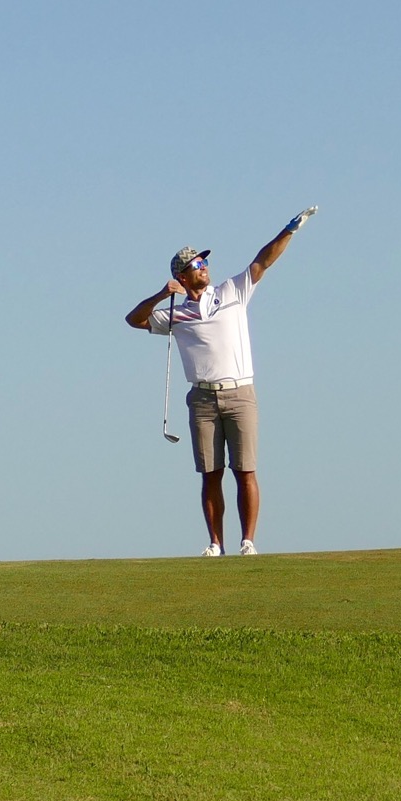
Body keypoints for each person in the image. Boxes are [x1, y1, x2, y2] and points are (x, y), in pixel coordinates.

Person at [126, 207, 314, 556]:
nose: (204, 267)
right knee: (210, 473)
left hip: (240, 393)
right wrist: (160, 295)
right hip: (202, 399)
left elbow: (262, 263)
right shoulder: (175, 312)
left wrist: (288, 231)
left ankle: (248, 542)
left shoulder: (231, 291)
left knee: (245, 470)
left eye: (204, 262)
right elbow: (134, 320)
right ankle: (216, 544)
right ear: (182, 277)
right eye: (196, 265)